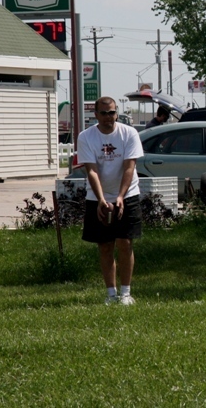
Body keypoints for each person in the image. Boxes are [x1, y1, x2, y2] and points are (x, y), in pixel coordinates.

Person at [77, 96, 144, 305]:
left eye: (112, 112)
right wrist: (101, 199)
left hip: (128, 194)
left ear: (117, 113)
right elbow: (92, 171)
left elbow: (129, 167)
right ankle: (111, 294)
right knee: (105, 245)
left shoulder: (129, 133)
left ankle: (126, 293)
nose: (109, 117)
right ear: (96, 115)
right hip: (97, 197)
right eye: (104, 113)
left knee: (125, 242)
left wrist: (121, 197)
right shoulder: (86, 137)